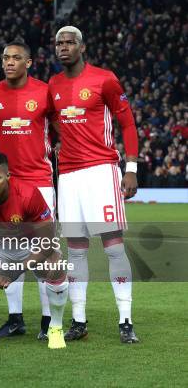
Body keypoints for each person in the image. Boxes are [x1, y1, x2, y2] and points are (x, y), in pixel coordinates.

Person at [49, 26, 139, 343]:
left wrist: (131, 168)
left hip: (101, 172)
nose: (63, 47)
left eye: (69, 42)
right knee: (75, 251)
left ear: (82, 47)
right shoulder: (54, 85)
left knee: (113, 248)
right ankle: (79, 320)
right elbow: (53, 123)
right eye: (59, 43)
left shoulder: (104, 79)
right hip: (68, 176)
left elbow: (127, 122)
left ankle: (126, 321)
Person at [0, 41, 55, 340]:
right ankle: (15, 318)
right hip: (4, 183)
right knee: (9, 251)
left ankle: (49, 320)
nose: (9, 62)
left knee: (44, 250)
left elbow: (61, 128)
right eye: (5, 57)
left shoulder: (45, 91)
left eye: (16, 58)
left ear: (29, 62)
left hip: (39, 181)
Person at [0, 152, 68, 349]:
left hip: (31, 243)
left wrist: (16, 269)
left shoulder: (29, 194)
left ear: (8, 176)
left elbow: (47, 243)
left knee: (55, 266)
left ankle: (55, 327)